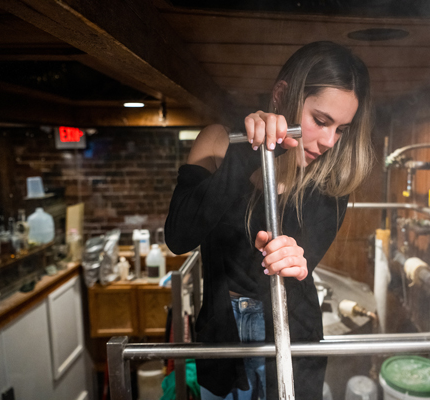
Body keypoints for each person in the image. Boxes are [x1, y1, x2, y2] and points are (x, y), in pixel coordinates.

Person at [165, 41, 373, 400]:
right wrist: (253, 152)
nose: (328, 141)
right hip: (222, 330)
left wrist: (295, 259)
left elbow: (302, 257)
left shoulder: (332, 181)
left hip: (295, 332)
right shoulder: (218, 141)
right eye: (320, 121)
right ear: (282, 95)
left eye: (341, 129)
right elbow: (179, 234)